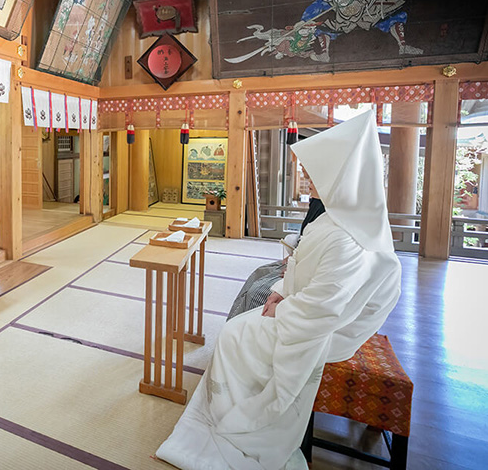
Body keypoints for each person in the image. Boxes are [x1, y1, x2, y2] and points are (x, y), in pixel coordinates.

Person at [156, 110, 401, 470]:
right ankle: (226, 405)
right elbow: (305, 269)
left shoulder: (349, 235)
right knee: (243, 318)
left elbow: (325, 305)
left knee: (235, 334)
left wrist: (284, 307)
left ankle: (237, 416)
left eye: (311, 173)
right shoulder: (337, 217)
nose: (305, 178)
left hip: (325, 327)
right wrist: (283, 290)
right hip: (304, 307)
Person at [227, 196, 326, 320]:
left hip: (305, 273)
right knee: (258, 273)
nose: (307, 178)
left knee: (256, 293)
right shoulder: (318, 202)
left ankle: (241, 331)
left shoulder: (334, 216)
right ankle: (232, 325)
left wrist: (294, 270)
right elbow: (304, 240)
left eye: (310, 177)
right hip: (297, 262)